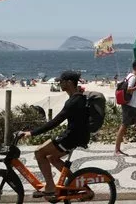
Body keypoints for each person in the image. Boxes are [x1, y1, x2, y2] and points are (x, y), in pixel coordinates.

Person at [20, 70, 90, 198]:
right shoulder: (77, 98)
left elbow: (55, 122)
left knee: (39, 152)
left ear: (69, 83)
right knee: (52, 158)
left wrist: (31, 133)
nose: (59, 83)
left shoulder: (74, 101)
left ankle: (50, 187)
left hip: (71, 137)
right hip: (75, 136)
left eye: (61, 81)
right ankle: (78, 185)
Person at [114, 60, 136, 156]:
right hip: (129, 106)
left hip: (131, 105)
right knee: (124, 126)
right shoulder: (133, 78)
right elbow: (128, 90)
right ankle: (117, 149)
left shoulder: (130, 76)